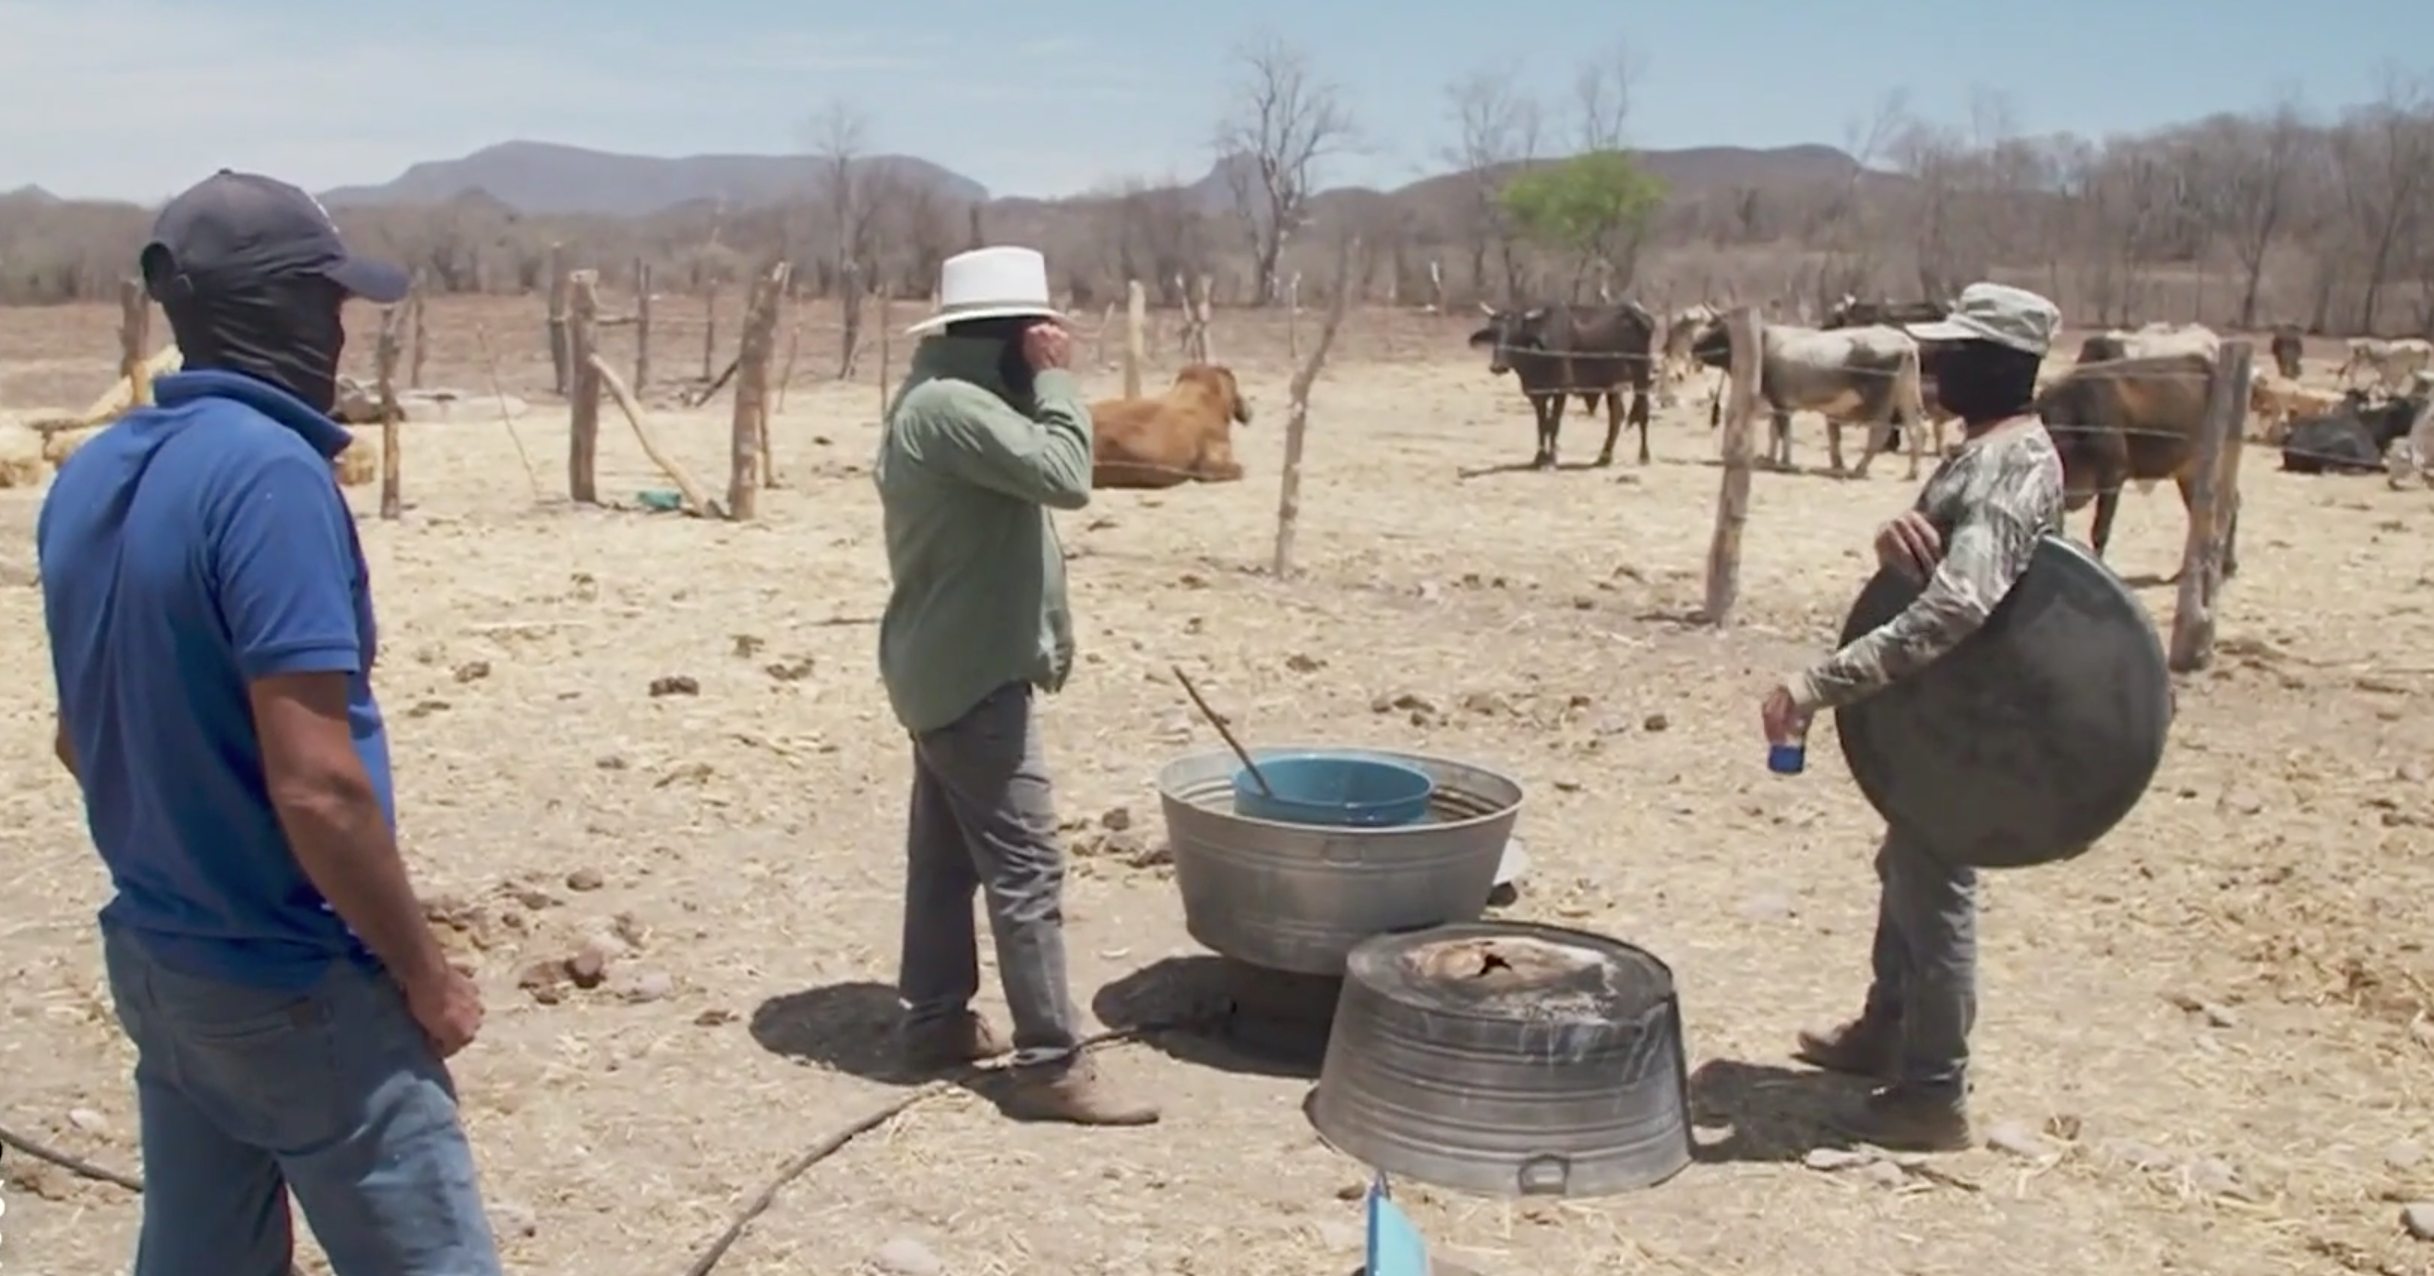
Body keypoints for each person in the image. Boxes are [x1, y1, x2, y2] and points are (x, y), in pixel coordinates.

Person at [38, 171, 501, 1274]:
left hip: (161, 958)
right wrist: (425, 976)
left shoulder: (91, 472)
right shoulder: (270, 477)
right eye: (332, 305)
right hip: (294, 980)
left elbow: (76, 736)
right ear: (290, 311)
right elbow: (318, 785)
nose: (341, 333)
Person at [1758, 282, 2067, 1152]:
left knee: (1938, 890)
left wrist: (1821, 682)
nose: (1932, 364)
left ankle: (1933, 1092)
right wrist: (1900, 541)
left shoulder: (2012, 465)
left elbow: (1955, 613)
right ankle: (1884, 1030)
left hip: (1973, 720)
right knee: (1908, 864)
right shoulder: (1987, 450)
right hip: (1945, 713)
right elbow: (1952, 569)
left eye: (1953, 352)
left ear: (1999, 365)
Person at [874, 245, 1157, 1126]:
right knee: (1026, 866)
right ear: (1008, 336)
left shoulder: (946, 399)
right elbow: (1068, 477)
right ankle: (1048, 1066)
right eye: (1037, 335)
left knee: (946, 858)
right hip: (972, 672)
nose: (1048, 346)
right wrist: (1058, 383)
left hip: (945, 662)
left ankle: (934, 1022)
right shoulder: (956, 408)